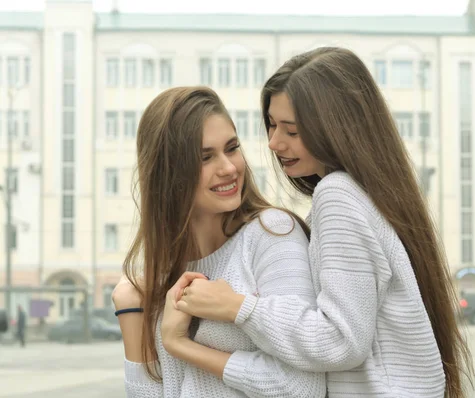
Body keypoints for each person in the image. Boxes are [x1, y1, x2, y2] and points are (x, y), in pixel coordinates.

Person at [173, 47, 474, 398]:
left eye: (292, 131)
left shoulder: (338, 196)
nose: (274, 142)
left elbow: (340, 341)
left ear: (336, 128)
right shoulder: (368, 194)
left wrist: (237, 306)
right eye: (271, 125)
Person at [111, 86, 326, 397]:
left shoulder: (272, 234)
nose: (228, 168)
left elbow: (303, 387)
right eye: (205, 157)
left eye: (232, 147)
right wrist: (133, 314)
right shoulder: (162, 272)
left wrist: (181, 346)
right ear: (168, 173)